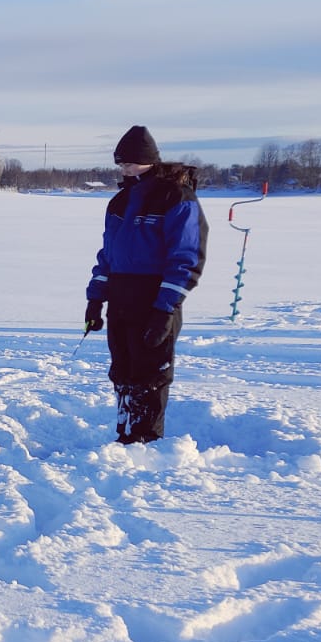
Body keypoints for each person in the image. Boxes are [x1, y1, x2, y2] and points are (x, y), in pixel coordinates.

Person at [85, 126, 209, 444]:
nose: (124, 169)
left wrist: (165, 309)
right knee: (123, 370)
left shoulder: (175, 197)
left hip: (154, 300)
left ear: (150, 161)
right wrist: (95, 299)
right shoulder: (119, 202)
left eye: (130, 163)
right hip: (121, 298)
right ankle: (126, 433)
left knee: (150, 372)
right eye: (121, 164)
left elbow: (186, 259)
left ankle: (147, 441)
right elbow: (108, 254)